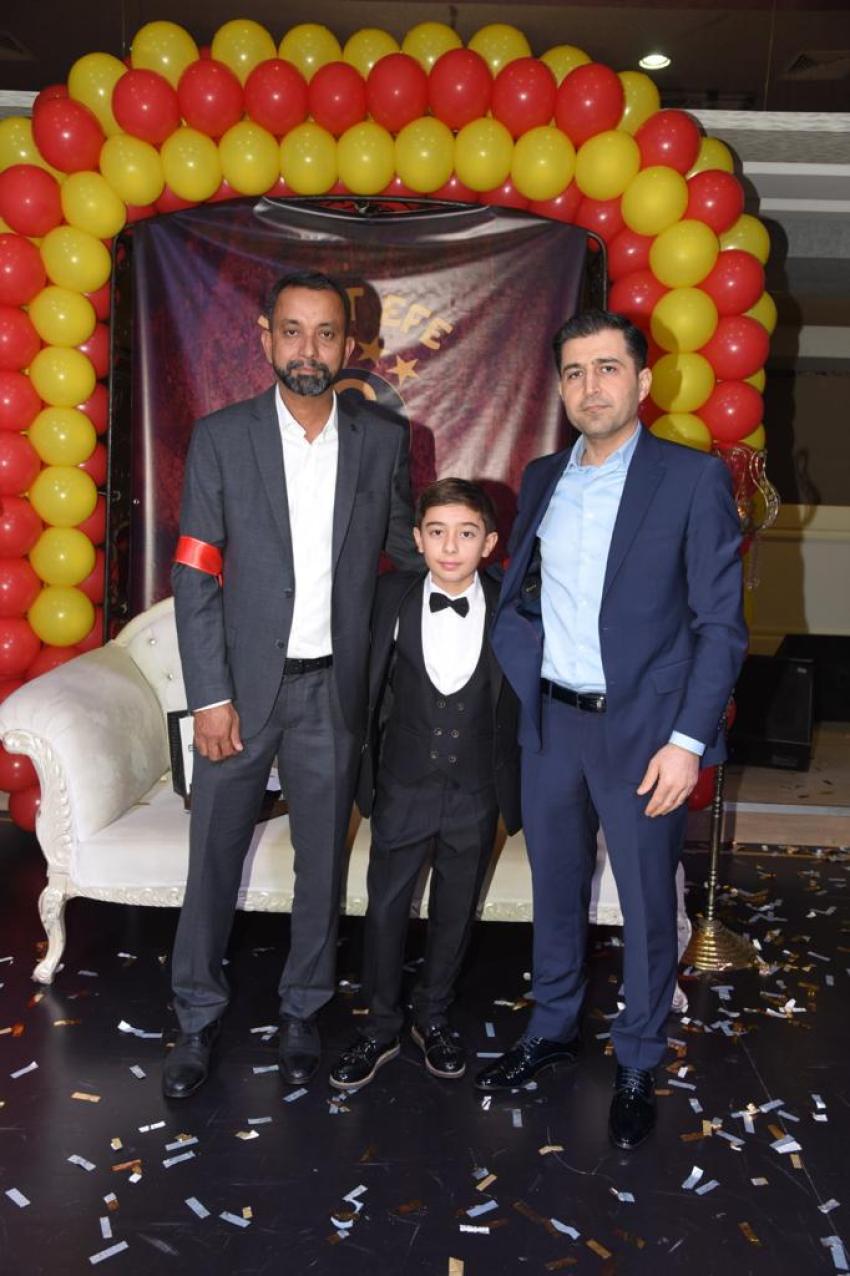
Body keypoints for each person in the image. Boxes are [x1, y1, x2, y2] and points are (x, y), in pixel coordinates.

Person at [475, 309, 747, 1150]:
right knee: (555, 891)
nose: (589, 387)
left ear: (642, 380)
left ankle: (637, 1055)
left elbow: (720, 627)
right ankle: (552, 1029)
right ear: (560, 388)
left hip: (646, 734)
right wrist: (526, 671)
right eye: (574, 372)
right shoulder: (542, 476)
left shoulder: (691, 479)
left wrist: (687, 742)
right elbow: (524, 591)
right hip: (553, 725)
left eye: (606, 368)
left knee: (645, 900)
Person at [163, 270, 420, 1100]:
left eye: (327, 333)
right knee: (213, 860)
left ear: (351, 345)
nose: (310, 349)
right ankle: (196, 1017)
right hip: (238, 696)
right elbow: (196, 575)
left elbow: (405, 556)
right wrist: (210, 697)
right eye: (293, 330)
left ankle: (303, 1009)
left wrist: (477, 582)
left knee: (321, 866)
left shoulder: (383, 440)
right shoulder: (221, 437)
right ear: (266, 336)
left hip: (333, 694)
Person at [330, 479, 521, 1090]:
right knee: (386, 905)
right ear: (417, 539)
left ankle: (432, 1016)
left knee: (456, 908)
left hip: (476, 787)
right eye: (437, 532)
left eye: (466, 534)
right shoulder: (387, 595)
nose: (450, 546)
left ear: (489, 543)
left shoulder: (514, 604)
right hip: (402, 782)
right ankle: (380, 1024)